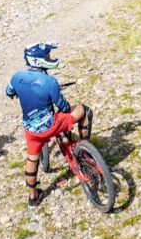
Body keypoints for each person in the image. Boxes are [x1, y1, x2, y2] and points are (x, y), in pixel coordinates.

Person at [5, 42, 90, 207]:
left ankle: (32, 196)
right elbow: (64, 107)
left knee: (32, 159)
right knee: (82, 109)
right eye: (47, 56)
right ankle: (86, 147)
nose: (50, 58)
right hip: (52, 125)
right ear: (38, 61)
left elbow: (8, 92)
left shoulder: (16, 77)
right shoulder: (50, 81)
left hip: (32, 130)